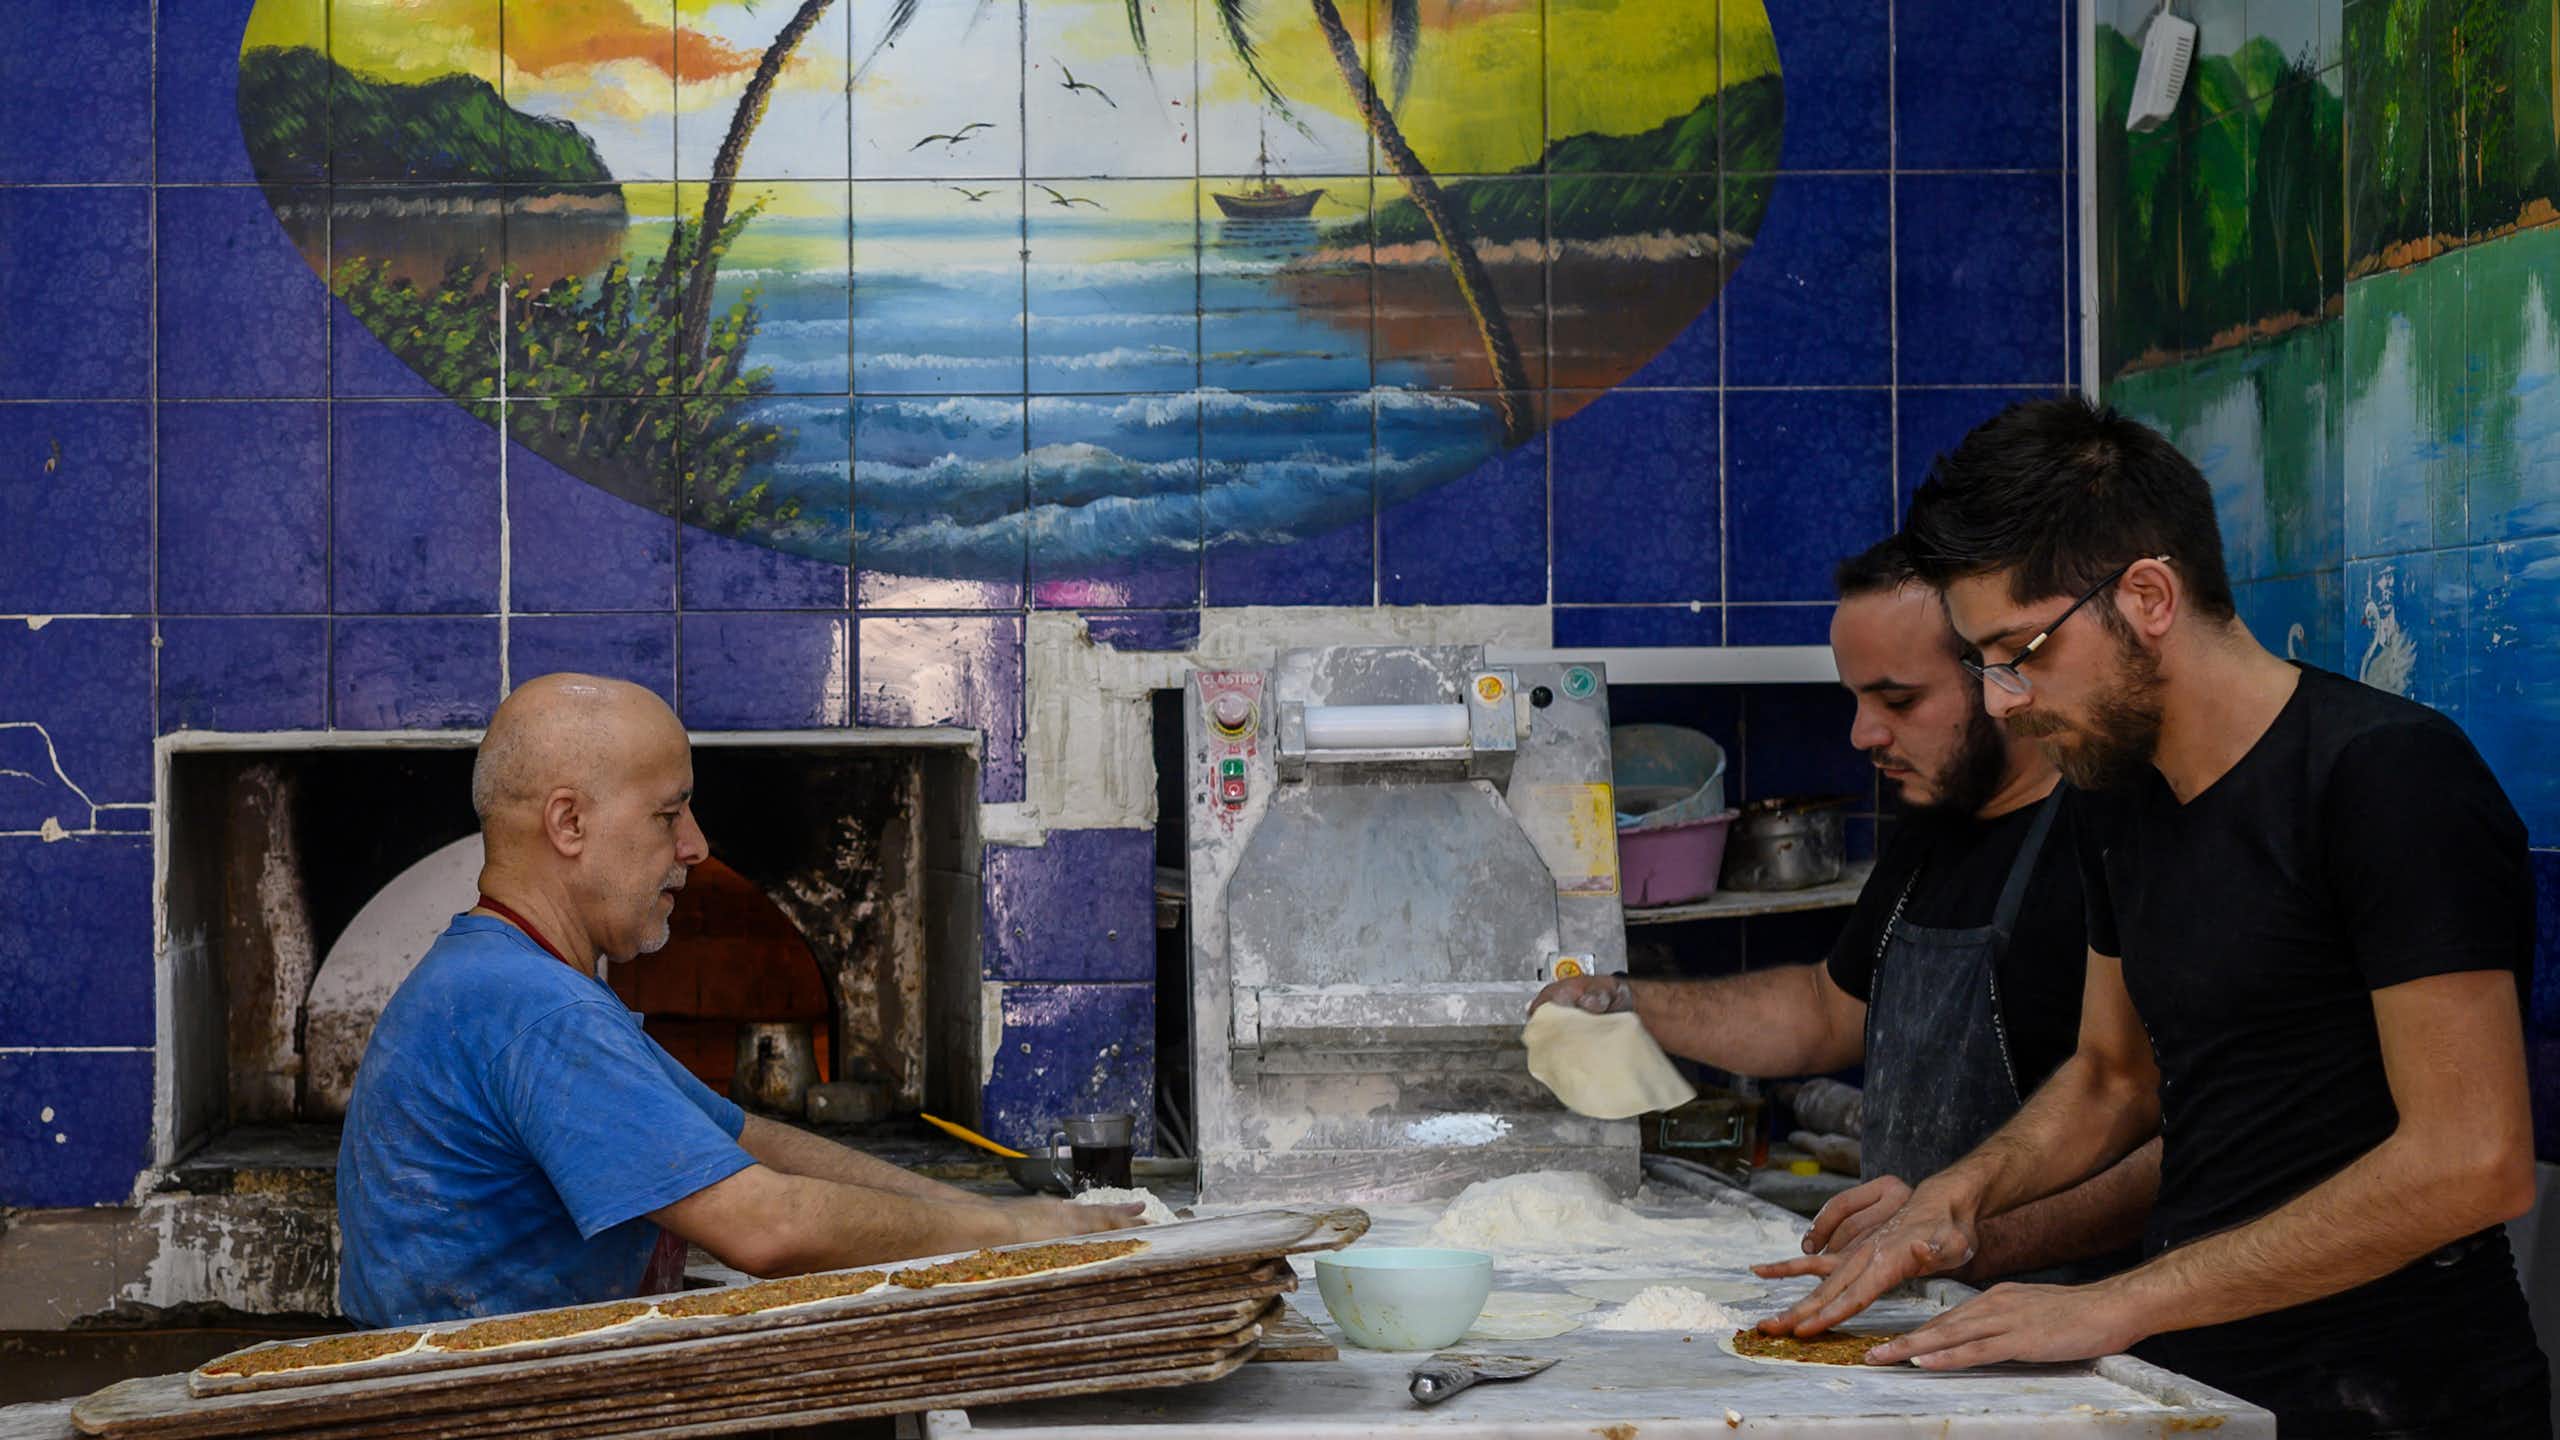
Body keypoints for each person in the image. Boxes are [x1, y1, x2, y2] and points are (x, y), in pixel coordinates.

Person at [1762, 397, 2546, 1437]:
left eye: (2018, 652)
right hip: (2195, 1386)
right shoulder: (2114, 793)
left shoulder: (2385, 778)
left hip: (2398, 1394)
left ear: (2145, 596)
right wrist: (1957, 1198)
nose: (2002, 701)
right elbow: (2110, 1076)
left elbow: (2470, 1162)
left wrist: (2110, 1302)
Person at [337, 674, 1139, 1326]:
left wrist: (973, 1211)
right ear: (569, 823)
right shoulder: (536, 1011)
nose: (696, 845)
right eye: (667, 812)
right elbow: (766, 1225)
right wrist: (1015, 1235)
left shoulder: (501, 976)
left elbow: (749, 1139)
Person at [1532, 535, 2155, 1285]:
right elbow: (1827, 1010)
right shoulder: (1935, 830)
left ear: (2003, 675)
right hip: (1912, 1300)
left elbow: (2157, 1136)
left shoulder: (2112, 840)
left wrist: (1965, 1238)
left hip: (2068, 1329)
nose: (1863, 735)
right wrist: (1625, 1001)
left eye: (1898, 700)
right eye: (1855, 700)